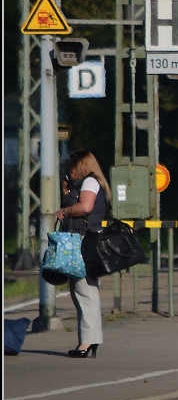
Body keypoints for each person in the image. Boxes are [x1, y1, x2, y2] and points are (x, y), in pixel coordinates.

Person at [55, 150, 110, 358]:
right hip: (80, 238)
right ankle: (88, 339)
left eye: (71, 165)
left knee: (85, 291)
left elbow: (85, 207)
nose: (68, 169)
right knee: (81, 290)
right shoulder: (85, 184)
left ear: (80, 166)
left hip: (82, 239)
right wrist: (66, 190)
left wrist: (65, 211)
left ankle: (88, 341)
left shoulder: (89, 183)